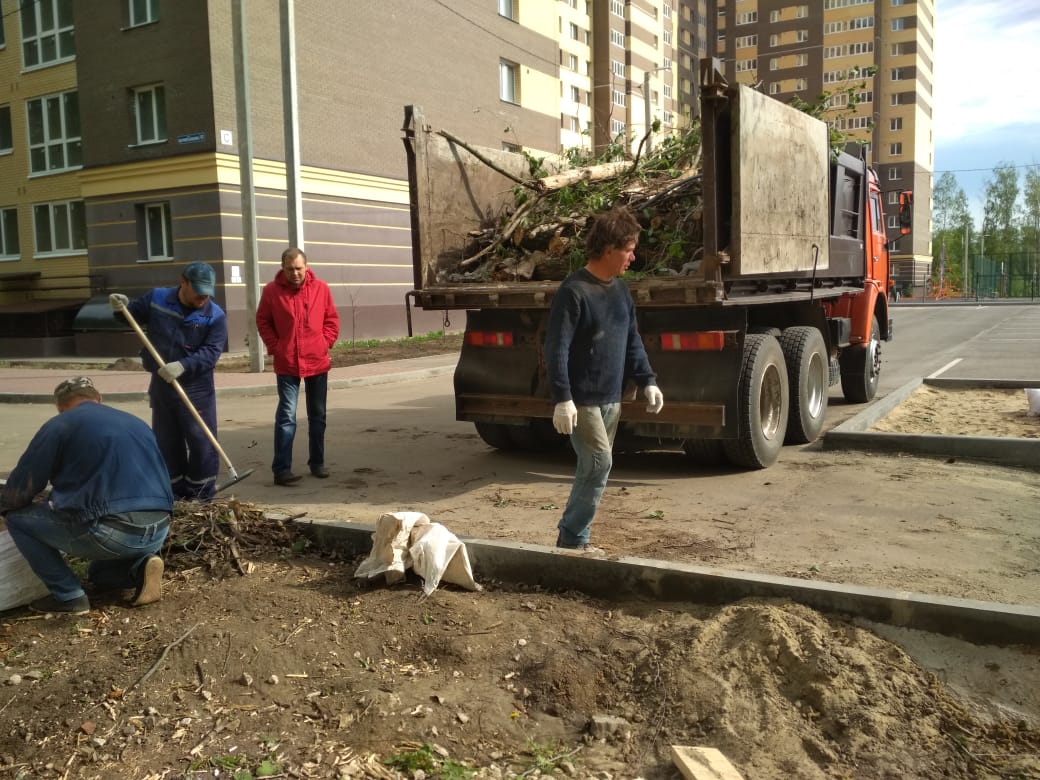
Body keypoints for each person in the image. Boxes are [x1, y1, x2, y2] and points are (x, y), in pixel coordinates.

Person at [543, 206, 664, 554]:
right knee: (599, 463)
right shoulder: (574, 291)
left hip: (611, 397)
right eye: (628, 249)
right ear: (609, 249)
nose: (633, 256)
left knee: (594, 469)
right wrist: (562, 398)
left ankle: (573, 537)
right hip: (581, 400)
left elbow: (632, 340)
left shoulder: (620, 292)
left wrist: (647, 380)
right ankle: (572, 538)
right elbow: (557, 347)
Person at [0, 377, 174, 614]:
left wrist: (6, 507)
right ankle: (140, 566)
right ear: (98, 399)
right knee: (99, 575)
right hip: (159, 529)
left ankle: (68, 596)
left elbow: (24, 485)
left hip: (112, 533)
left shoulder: (60, 425)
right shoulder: (135, 422)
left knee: (18, 520)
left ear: (60, 407)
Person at [110, 262, 228, 502]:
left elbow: (211, 352)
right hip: (162, 383)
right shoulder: (157, 299)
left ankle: (200, 493)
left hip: (196, 387)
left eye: (207, 291)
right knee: (167, 440)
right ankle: (174, 491)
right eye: (198, 290)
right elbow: (130, 315)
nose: (203, 297)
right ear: (183, 282)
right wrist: (120, 308)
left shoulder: (214, 316)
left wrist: (183, 365)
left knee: (201, 441)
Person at [256, 247, 340, 485]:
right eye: (290, 269)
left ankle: (317, 462)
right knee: (286, 417)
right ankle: (281, 470)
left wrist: (324, 342)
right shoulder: (272, 291)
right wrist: (276, 346)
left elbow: (331, 319)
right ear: (283, 268)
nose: (294, 273)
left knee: (318, 416)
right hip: (287, 363)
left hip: (317, 361)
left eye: (298, 268)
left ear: (306, 267)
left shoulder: (321, 289)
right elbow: (263, 320)